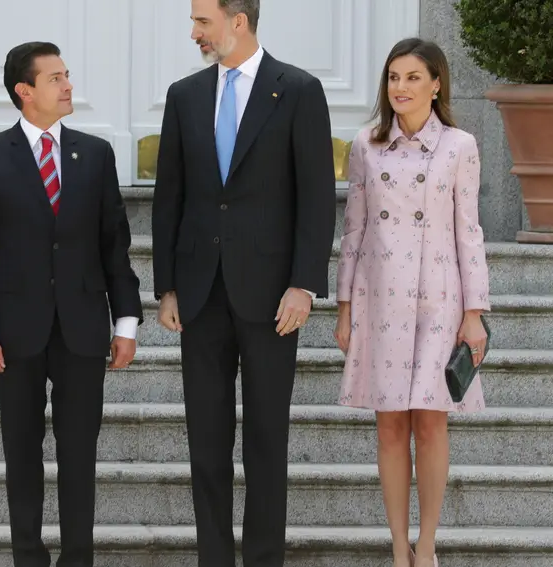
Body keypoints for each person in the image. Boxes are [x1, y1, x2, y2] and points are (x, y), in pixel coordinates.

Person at [151, 0, 336, 564]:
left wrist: (305, 284)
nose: (194, 33)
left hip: (273, 298)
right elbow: (169, 197)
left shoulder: (299, 90)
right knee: (206, 448)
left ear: (238, 20)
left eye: (202, 22)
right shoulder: (184, 96)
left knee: (264, 445)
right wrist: (168, 285)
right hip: (200, 296)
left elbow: (317, 196)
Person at [0, 41, 143, 567]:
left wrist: (126, 320)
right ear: (25, 91)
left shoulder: (96, 154)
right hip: (13, 333)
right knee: (22, 454)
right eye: (56, 78)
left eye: (67, 75)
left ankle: (79, 557)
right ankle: (28, 558)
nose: (68, 85)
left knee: (80, 455)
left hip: (83, 329)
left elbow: (114, 247)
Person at [334, 37, 491, 567]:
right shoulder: (365, 145)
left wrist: (474, 315)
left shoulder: (459, 146)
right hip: (378, 300)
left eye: (412, 77)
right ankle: (398, 547)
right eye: (393, 77)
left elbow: (469, 231)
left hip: (438, 299)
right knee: (390, 424)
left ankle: (427, 546)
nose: (399, 87)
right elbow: (352, 230)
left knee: (431, 421)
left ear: (436, 83)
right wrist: (345, 308)